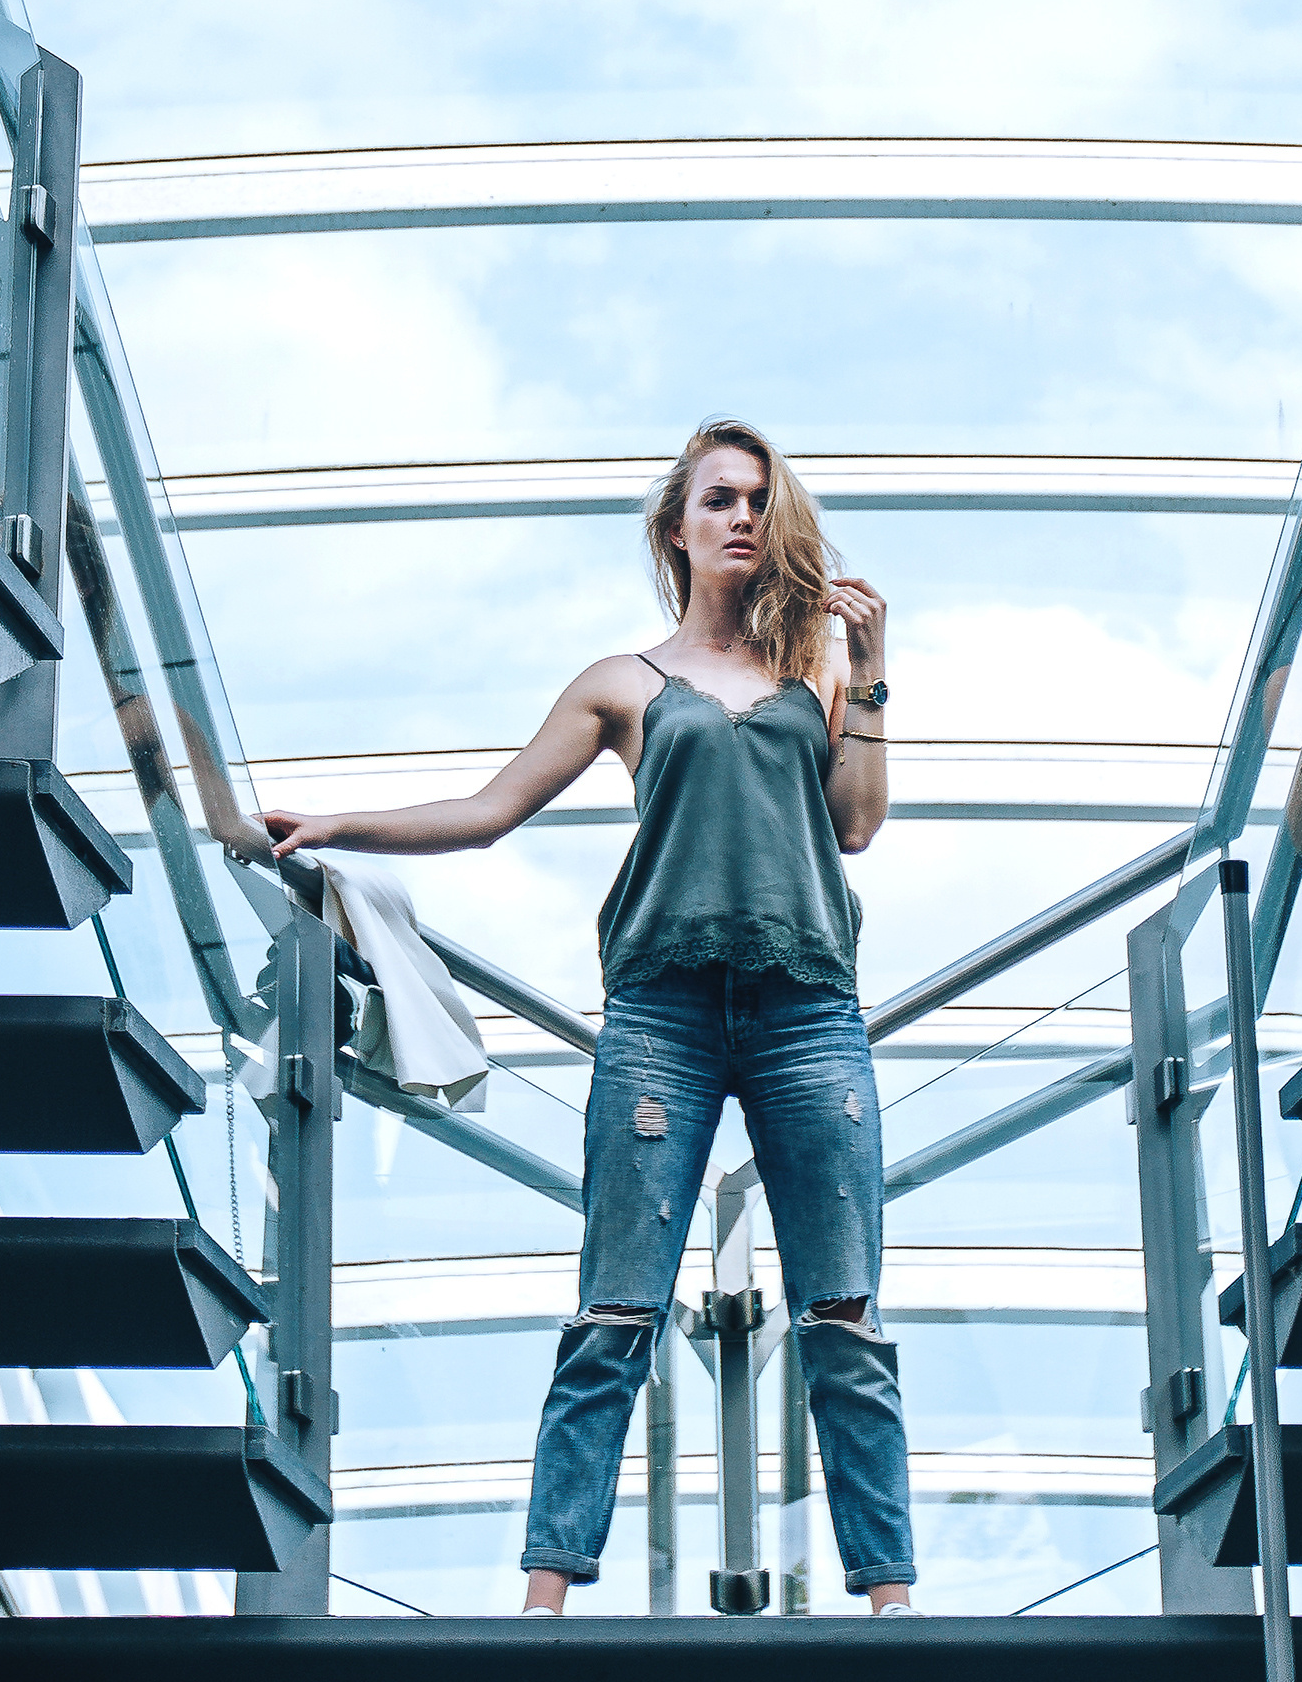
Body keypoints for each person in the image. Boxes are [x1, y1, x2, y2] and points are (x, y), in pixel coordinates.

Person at [261, 415, 917, 1614]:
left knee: (846, 1313)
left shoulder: (815, 673)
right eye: (718, 499)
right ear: (676, 526)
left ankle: (891, 1600)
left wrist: (868, 673)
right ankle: (546, 1596)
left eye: (760, 502)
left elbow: (858, 825)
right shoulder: (625, 682)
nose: (742, 518)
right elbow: (491, 807)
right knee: (616, 1305)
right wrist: (336, 824)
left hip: (809, 1008)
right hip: (662, 1011)